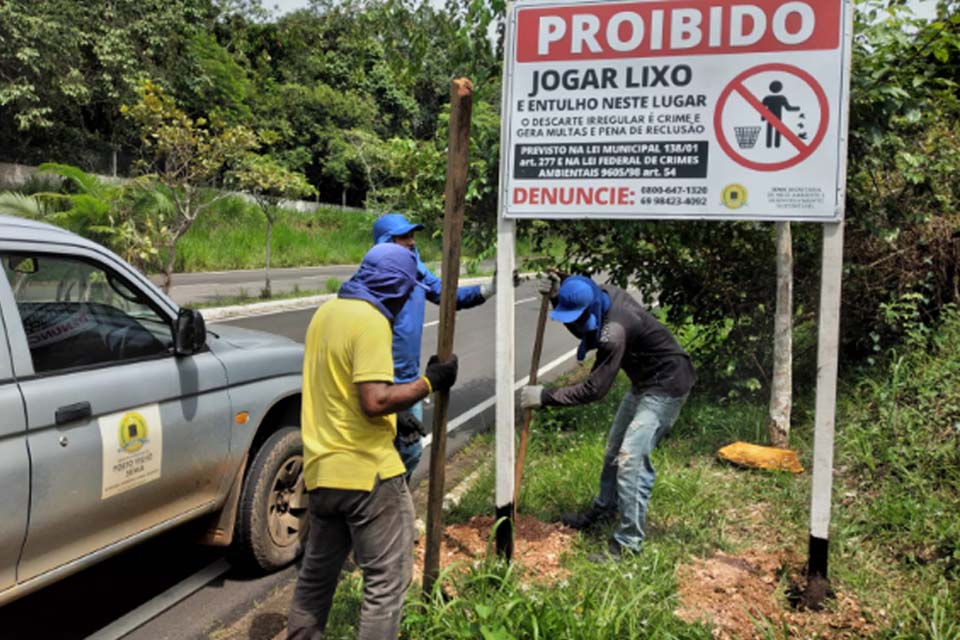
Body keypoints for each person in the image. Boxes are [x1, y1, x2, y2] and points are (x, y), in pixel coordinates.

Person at [287, 243, 459, 639]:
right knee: (386, 584)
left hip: (321, 474)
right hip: (368, 477)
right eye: (408, 291)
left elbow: (339, 388)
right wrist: (429, 382)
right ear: (396, 288)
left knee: (315, 579)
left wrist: (399, 415)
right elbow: (373, 400)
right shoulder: (371, 322)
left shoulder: (326, 314)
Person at [520, 274, 695, 562]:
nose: (573, 324)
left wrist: (545, 397)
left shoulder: (615, 330)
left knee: (631, 460)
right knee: (614, 450)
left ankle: (628, 543)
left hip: (667, 384)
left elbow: (594, 389)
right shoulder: (601, 295)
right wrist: (555, 297)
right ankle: (606, 507)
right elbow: (584, 324)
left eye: (577, 318)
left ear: (592, 309)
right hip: (643, 381)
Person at [371, 212, 495, 481]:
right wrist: (394, 401)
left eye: (412, 235)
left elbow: (444, 294)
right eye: (404, 237)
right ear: (386, 242)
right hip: (381, 383)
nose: (412, 242)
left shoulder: (415, 269)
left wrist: (488, 290)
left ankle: (393, 508)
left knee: (410, 452)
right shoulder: (377, 280)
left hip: (408, 380)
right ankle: (378, 512)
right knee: (382, 455)